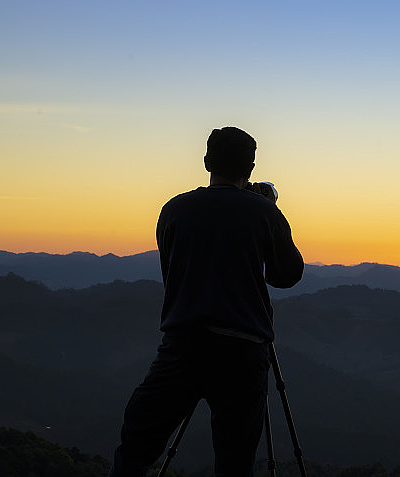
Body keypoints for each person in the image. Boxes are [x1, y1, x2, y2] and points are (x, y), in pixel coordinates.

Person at [110, 126, 304, 477]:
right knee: (234, 460)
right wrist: (269, 210)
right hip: (243, 351)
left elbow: (173, 271)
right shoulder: (262, 212)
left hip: (182, 347)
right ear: (251, 166)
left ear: (205, 162)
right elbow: (286, 275)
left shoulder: (174, 210)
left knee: (137, 446)